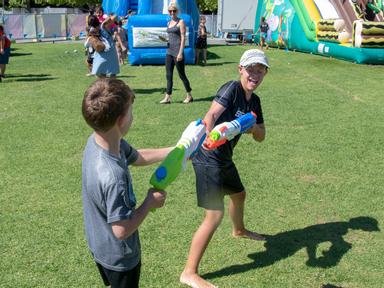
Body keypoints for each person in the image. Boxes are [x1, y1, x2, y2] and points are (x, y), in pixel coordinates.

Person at [180, 49, 270, 288]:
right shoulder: (231, 89)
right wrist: (211, 135)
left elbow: (261, 136)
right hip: (208, 156)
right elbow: (211, 114)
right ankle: (189, 272)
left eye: (260, 70)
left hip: (224, 158)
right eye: (251, 69)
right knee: (214, 215)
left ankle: (238, 230)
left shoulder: (256, 102)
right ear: (241, 69)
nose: (255, 74)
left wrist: (250, 128)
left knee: (239, 195)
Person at [82, 78, 172, 288]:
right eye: (131, 112)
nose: (133, 117)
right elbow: (121, 230)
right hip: (120, 258)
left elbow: (138, 157)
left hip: (100, 243)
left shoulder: (101, 140)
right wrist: (149, 202)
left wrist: (177, 151)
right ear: (120, 121)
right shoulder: (113, 175)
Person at [160, 3, 193, 104]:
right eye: (170, 11)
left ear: (177, 11)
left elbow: (183, 38)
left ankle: (189, 95)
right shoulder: (168, 22)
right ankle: (167, 97)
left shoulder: (181, 21)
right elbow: (171, 37)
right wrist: (164, 39)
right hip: (169, 52)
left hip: (177, 52)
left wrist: (180, 53)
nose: (172, 13)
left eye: (174, 11)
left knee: (181, 75)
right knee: (168, 75)